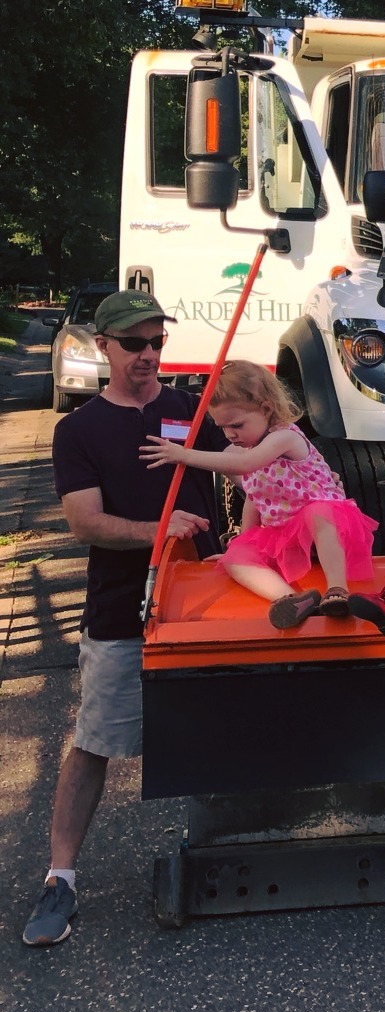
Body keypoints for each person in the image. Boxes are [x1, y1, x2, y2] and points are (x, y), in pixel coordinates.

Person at [24, 290, 225, 948]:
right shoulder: (78, 431)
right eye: (133, 343)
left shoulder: (189, 414)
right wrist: (161, 531)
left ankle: (241, 840)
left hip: (207, 602)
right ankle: (60, 879)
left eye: (156, 343)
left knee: (232, 720)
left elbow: (258, 457)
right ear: (102, 346)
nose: (146, 355)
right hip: (122, 608)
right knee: (93, 741)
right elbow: (86, 523)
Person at [140, 361, 385, 630]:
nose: (229, 435)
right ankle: (291, 599)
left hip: (323, 531)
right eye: (222, 427)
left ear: (265, 409)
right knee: (236, 560)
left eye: (236, 425)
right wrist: (239, 546)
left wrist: (184, 455)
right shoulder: (254, 448)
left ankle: (337, 590)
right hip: (285, 536)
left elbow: (245, 466)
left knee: (319, 511)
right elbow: (255, 498)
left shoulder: (284, 437)